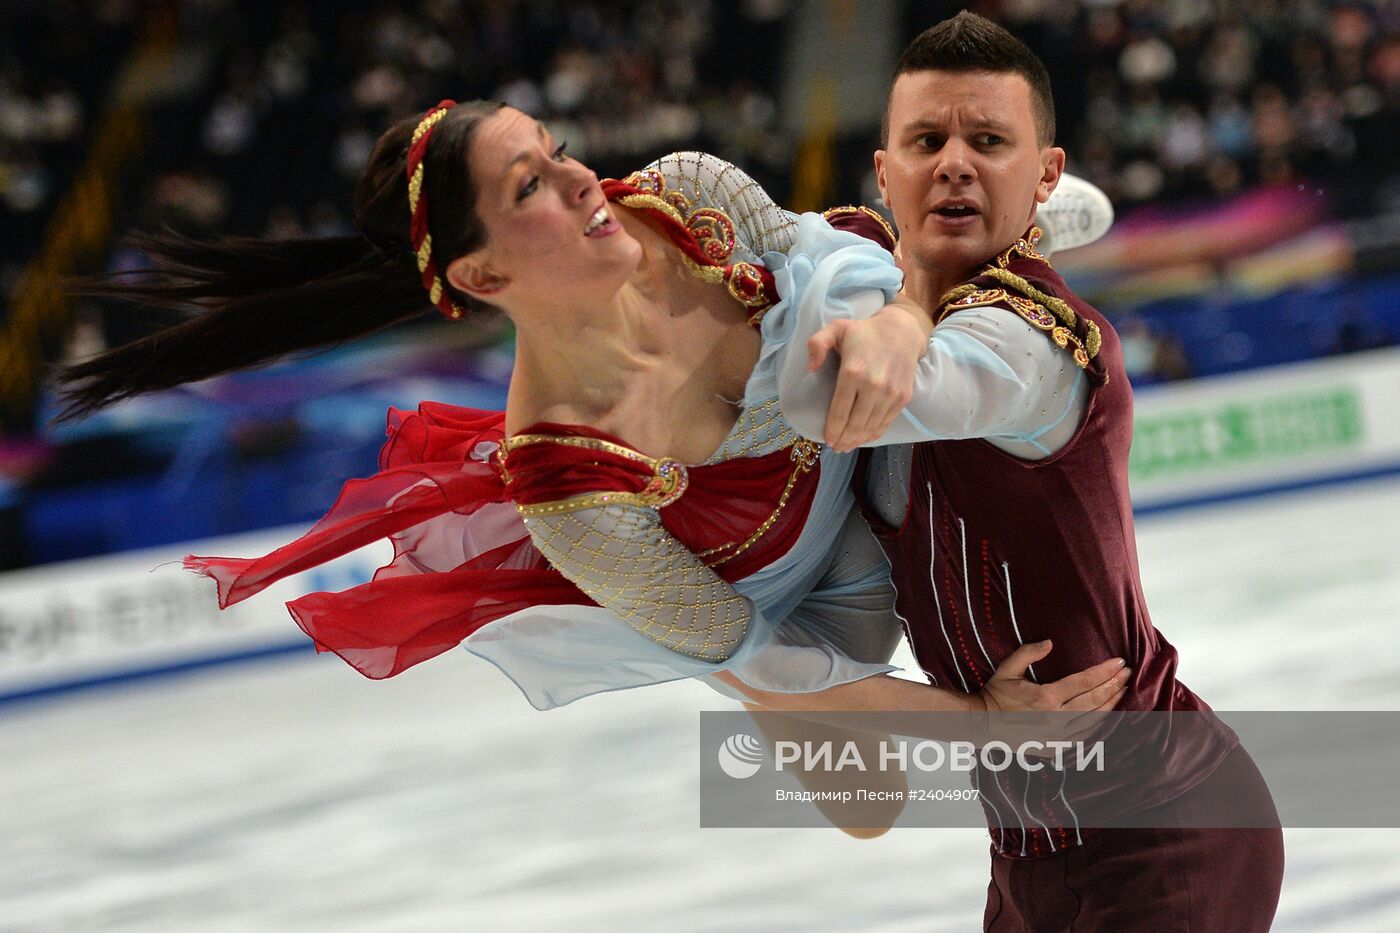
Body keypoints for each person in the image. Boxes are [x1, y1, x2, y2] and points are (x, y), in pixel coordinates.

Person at [738, 13, 1283, 930]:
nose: (953, 160)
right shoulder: (903, 312)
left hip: (1166, 827)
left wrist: (898, 280)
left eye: (988, 142)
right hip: (1025, 856)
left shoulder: (1031, 341)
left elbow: (843, 389)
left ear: (1045, 174)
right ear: (885, 172)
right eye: (927, 141)